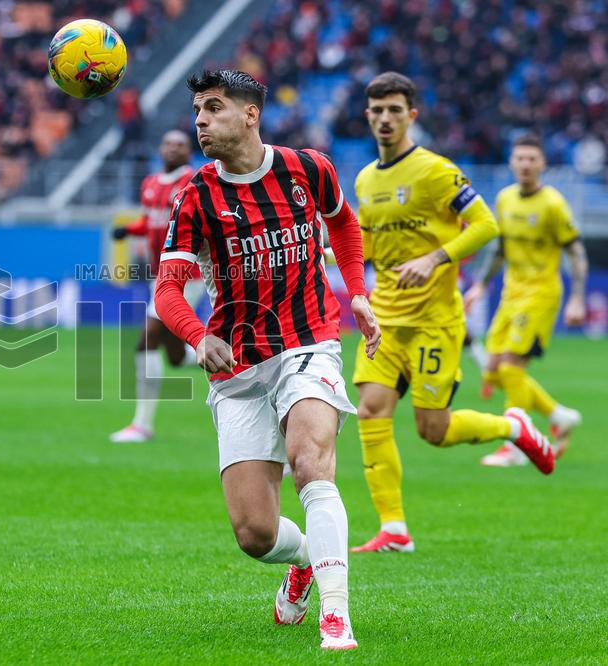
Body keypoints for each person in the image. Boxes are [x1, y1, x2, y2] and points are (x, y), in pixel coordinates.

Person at [156, 69, 381, 650]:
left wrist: (355, 290)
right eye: (197, 110)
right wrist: (195, 334)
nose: (200, 120)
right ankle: (305, 560)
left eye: (212, 108)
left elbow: (345, 225)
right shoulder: (196, 197)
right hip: (237, 368)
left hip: (309, 342)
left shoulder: (309, 169)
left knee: (311, 461)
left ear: (250, 114)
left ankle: (336, 615)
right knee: (254, 532)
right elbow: (167, 289)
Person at [350, 73, 555, 555]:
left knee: (433, 431)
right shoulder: (364, 180)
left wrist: (435, 257)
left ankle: (513, 427)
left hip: (435, 321)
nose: (385, 119)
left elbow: (485, 225)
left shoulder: (436, 171)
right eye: (377, 110)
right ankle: (394, 528)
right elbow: (369, 247)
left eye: (394, 110)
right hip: (385, 319)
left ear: (411, 116)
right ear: (367, 115)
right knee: (371, 410)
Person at [465, 134, 586, 466]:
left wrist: (577, 298)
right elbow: (500, 248)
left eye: (532, 159)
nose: (526, 164)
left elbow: (576, 251)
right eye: (520, 158)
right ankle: (556, 413)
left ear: (542, 164)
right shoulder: (504, 199)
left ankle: (517, 446)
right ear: (511, 162)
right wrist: (480, 287)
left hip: (541, 294)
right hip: (510, 293)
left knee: (511, 367)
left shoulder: (553, 204)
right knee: (492, 370)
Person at [109, 130, 203, 443]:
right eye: (168, 143)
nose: (173, 148)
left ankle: (142, 425)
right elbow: (151, 221)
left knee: (147, 340)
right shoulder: (149, 183)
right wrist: (129, 230)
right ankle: (215, 356)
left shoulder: (194, 181)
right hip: (159, 275)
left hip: (187, 275)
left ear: (189, 151)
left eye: (180, 145)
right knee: (174, 355)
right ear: (160, 148)